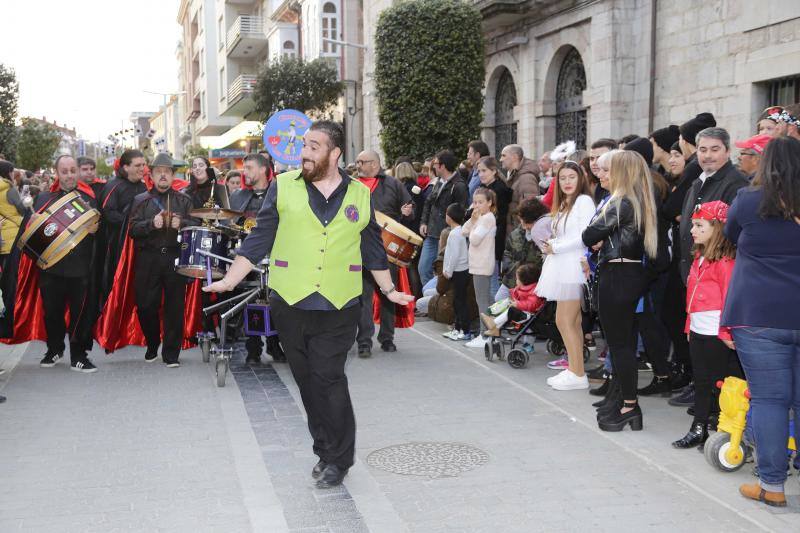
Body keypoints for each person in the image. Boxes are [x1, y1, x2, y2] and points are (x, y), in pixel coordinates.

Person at [204, 121, 413, 489]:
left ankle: (340, 458)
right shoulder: (283, 186)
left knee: (329, 378)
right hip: (291, 301)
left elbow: (373, 249)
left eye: (314, 146)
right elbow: (260, 239)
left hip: (340, 303)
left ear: (334, 154)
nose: (304, 152)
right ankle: (323, 448)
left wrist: (388, 290)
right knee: (305, 380)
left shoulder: (360, 195)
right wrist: (231, 279)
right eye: (304, 144)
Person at [722, 137, 800, 508]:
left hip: (757, 315)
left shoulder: (748, 201)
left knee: (770, 400)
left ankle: (772, 486)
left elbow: (730, 236)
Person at [583, 151, 659, 430]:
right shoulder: (634, 201)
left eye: (607, 169)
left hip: (618, 275)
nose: (601, 173)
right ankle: (625, 402)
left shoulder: (621, 202)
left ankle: (629, 405)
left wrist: (599, 238)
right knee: (622, 344)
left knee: (620, 346)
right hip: (625, 274)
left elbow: (588, 234)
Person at [671, 200, 740, 449]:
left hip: (715, 332)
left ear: (717, 228)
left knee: (720, 383)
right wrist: (689, 325)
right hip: (699, 328)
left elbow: (731, 299)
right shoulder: (699, 258)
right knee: (700, 380)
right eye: (693, 225)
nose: (692, 230)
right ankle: (699, 428)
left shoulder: (725, 263)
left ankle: (723, 430)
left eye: (699, 225)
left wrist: (725, 330)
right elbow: (691, 295)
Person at [128, 153, 197, 367]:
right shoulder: (141, 201)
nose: (163, 176)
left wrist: (182, 224)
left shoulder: (184, 200)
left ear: (172, 175)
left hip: (175, 257)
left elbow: (195, 224)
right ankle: (151, 342)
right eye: (159, 172)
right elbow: (132, 230)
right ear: (152, 175)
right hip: (148, 258)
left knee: (174, 307)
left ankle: (171, 354)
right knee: (146, 306)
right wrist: (151, 224)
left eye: (167, 172)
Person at [36, 155, 100, 373]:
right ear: (57, 173)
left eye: (73, 170)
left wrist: (95, 230)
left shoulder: (89, 198)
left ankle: (79, 355)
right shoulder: (44, 198)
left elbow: (102, 233)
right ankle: (54, 349)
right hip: (51, 267)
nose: (70, 175)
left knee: (80, 314)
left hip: (80, 267)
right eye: (65, 171)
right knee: (51, 313)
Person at [536, 161, 595, 389]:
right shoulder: (565, 204)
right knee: (572, 321)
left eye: (572, 177)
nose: (567, 182)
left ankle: (578, 373)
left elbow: (584, 234)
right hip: (562, 263)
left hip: (572, 266)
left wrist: (556, 247)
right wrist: (553, 244)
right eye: (563, 178)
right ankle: (575, 370)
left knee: (565, 320)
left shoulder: (583, 201)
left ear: (580, 179)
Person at [354, 150, 413, 357]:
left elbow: (409, 208)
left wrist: (408, 212)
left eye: (363, 162)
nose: (358, 165)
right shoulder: (352, 185)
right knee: (363, 297)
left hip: (387, 250)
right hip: (360, 248)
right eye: (358, 161)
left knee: (389, 296)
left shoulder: (393, 184)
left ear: (375, 164)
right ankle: (364, 342)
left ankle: (387, 338)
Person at [230, 153, 283, 364]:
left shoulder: (279, 192)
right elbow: (230, 225)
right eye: (244, 168)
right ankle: (253, 349)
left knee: (276, 302)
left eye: (249, 168)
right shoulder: (238, 196)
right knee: (249, 300)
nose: (245, 172)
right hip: (249, 257)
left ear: (263, 169)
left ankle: (274, 345)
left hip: (276, 255)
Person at [678, 127, 748, 283]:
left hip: (719, 278)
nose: (708, 155)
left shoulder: (737, 184)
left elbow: (735, 233)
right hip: (694, 275)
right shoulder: (696, 184)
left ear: (728, 151)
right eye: (702, 150)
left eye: (715, 149)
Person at [100, 149, 147, 295]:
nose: (142, 169)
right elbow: (107, 214)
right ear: (126, 167)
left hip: (141, 245)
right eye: (138, 165)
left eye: (143, 165)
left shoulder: (144, 186)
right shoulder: (113, 186)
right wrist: (132, 223)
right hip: (118, 247)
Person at [419, 151, 468, 286]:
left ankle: (437, 300)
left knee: (441, 271)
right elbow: (429, 202)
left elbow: (460, 212)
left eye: (435, 164)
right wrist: (424, 222)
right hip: (431, 233)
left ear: (442, 166)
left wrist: (449, 232)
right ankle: (430, 301)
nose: (433, 167)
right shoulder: (439, 182)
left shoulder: (459, 185)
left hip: (446, 236)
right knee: (423, 268)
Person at [461, 187, 497, 347]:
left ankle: (485, 335)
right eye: (475, 202)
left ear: (489, 203)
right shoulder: (480, 218)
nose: (477, 205)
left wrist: (474, 223)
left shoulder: (488, 218)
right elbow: (464, 231)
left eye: (481, 202)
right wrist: (473, 220)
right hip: (477, 263)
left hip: (482, 264)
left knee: (482, 300)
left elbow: (474, 239)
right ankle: (491, 331)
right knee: (485, 299)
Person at [475, 156, 512, 298]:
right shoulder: (485, 188)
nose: (481, 174)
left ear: (494, 171)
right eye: (479, 171)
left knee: (493, 280)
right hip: (486, 238)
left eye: (484, 170)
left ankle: (494, 315)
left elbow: (499, 218)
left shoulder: (499, 189)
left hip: (494, 239)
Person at [499, 197, 547, 303]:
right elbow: (507, 251)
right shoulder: (516, 233)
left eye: (526, 222)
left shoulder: (544, 236)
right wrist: (509, 268)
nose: (524, 226)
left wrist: (529, 276)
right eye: (521, 221)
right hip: (512, 279)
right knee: (499, 299)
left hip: (532, 284)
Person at [481, 261, 545, 336]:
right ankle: (495, 327)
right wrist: (513, 297)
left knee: (511, 310)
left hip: (528, 315)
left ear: (524, 281)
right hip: (523, 312)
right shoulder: (522, 288)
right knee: (507, 304)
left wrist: (517, 304)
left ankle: (493, 323)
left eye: (517, 279)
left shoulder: (534, 292)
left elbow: (531, 304)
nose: (516, 280)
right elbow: (518, 298)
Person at [440, 203, 471, 341]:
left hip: (458, 271)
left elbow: (454, 255)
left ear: (450, 217)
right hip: (462, 270)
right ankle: (458, 328)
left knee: (459, 301)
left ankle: (464, 330)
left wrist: (448, 271)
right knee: (458, 300)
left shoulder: (454, 233)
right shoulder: (461, 231)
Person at [500, 144, 539, 228]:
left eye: (503, 155)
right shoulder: (516, 176)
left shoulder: (526, 178)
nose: (500, 159)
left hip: (521, 233)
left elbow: (530, 210)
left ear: (514, 157)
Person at [0, 161, 25, 270]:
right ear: (8, 172)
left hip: (2, 234)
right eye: (12, 172)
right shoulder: (9, 189)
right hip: (12, 237)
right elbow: (22, 209)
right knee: (12, 274)